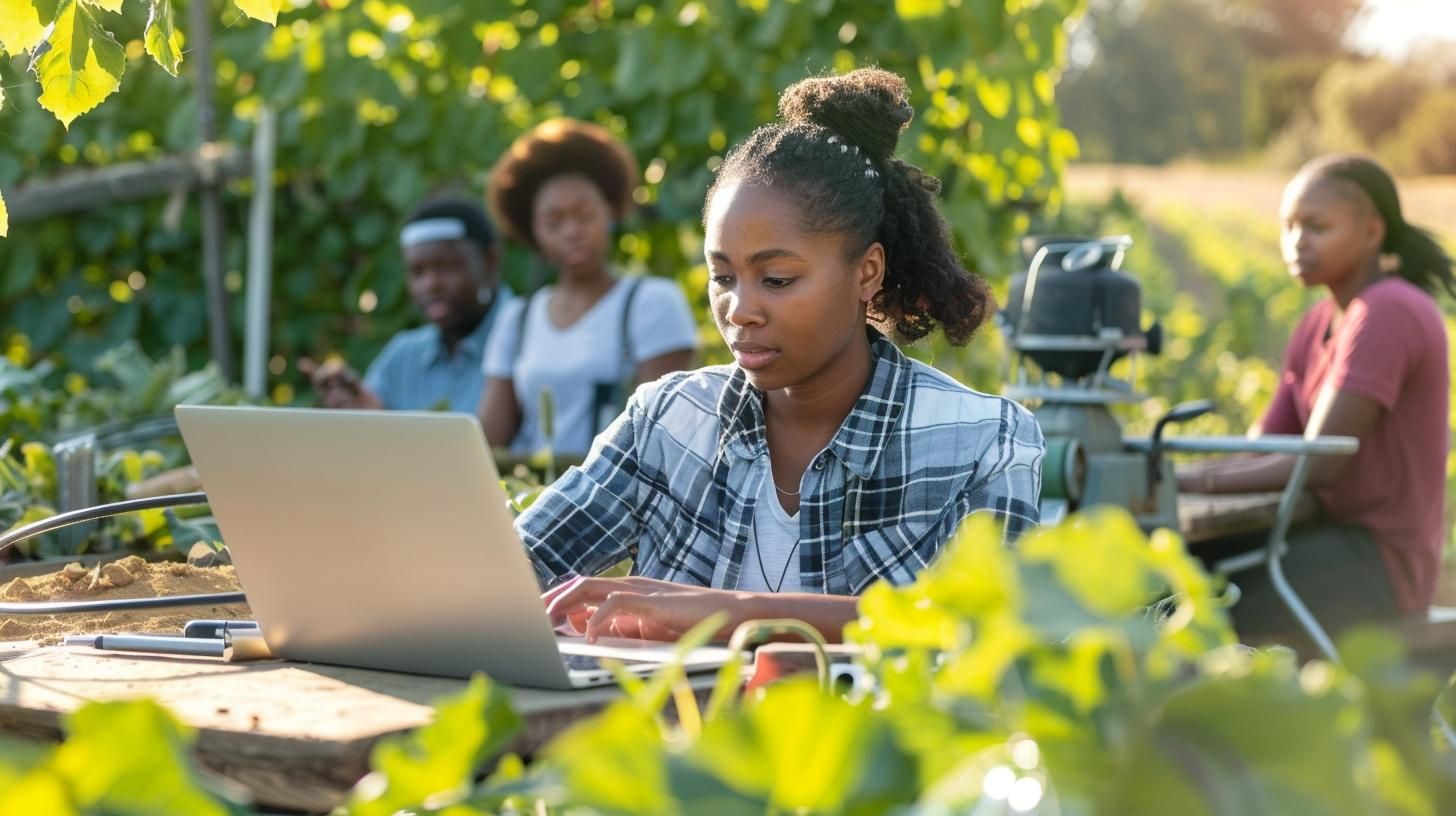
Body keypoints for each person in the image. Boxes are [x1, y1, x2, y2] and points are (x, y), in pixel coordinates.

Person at [528, 68, 1044, 645]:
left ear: (865, 272)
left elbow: (989, 633)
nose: (739, 309)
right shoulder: (668, 422)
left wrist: (722, 615)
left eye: (776, 278)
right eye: (722, 276)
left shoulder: (981, 440)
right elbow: (515, 567)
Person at [1177, 154, 1453, 646]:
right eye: (1289, 226)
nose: (1296, 241)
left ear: (1372, 232)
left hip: (1377, 562)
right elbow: (1266, 444)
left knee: (1199, 607)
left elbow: (1321, 459)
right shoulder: (1318, 323)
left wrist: (1188, 478)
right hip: (1320, 536)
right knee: (1177, 569)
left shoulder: (1389, 310)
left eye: (1316, 226)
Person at [479, 118, 698, 458]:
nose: (571, 231)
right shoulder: (517, 319)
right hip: (531, 497)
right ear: (533, 230)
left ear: (610, 212)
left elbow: (663, 437)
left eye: (585, 215)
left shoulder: (652, 303)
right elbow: (489, 440)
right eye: (554, 222)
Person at [300, 197, 509, 413]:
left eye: (447, 267)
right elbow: (375, 428)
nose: (431, 285)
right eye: (417, 272)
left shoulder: (529, 337)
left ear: (489, 261)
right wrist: (365, 411)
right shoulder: (404, 355)